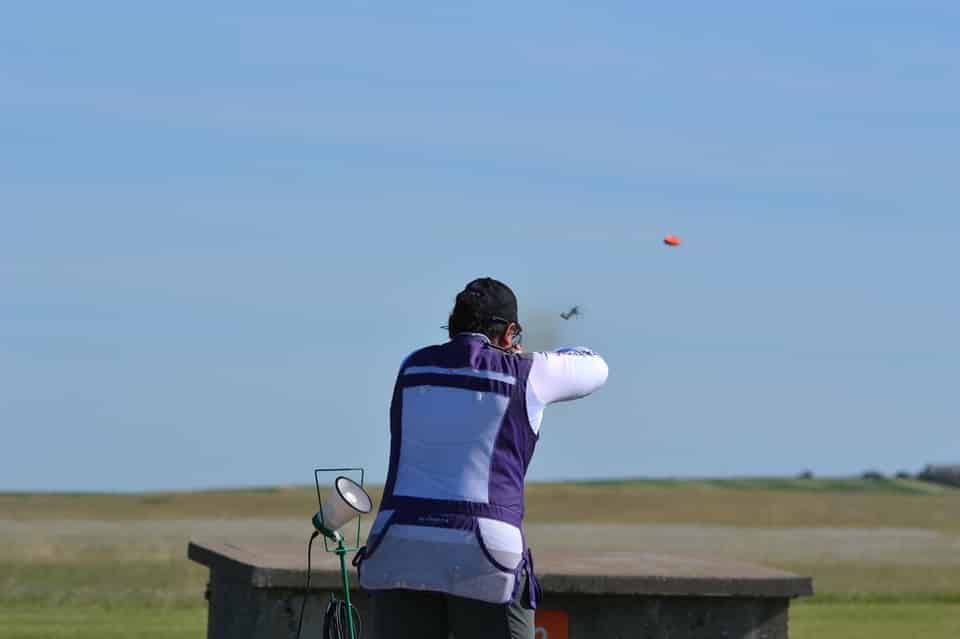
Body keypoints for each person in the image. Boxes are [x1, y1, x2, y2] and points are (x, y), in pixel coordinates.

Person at [358, 277, 608, 639]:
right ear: (509, 333)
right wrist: (524, 355)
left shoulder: (412, 366)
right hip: (485, 550)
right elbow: (595, 367)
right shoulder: (527, 372)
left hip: (400, 544)